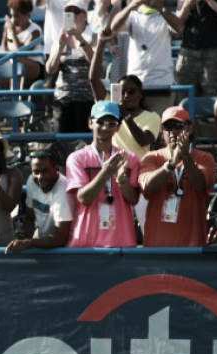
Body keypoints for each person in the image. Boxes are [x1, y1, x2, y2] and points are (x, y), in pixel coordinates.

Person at [89, 29, 161, 231]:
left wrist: (125, 115)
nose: (127, 95)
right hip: (114, 175)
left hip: (140, 177)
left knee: (148, 228)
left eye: (132, 91)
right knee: (115, 227)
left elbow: (143, 140)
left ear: (140, 93)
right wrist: (101, 46)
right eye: (122, 91)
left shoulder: (151, 116)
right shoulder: (109, 110)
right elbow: (93, 79)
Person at [138, 107, 216, 247]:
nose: (173, 131)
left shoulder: (205, 158)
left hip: (192, 246)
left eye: (179, 126)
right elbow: (147, 187)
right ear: (162, 131)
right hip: (157, 246)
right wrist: (171, 163)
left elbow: (201, 186)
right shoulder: (151, 158)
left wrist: (186, 157)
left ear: (190, 129)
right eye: (168, 127)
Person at [66, 100, 140, 247]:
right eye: (100, 121)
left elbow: (133, 199)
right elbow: (83, 198)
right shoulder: (76, 158)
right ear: (90, 123)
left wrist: (122, 179)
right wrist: (105, 173)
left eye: (111, 123)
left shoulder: (130, 158)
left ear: (118, 127)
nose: (105, 127)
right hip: (87, 242)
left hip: (121, 241)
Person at [109, 0, 184, 115]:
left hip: (161, 84)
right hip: (134, 86)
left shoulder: (166, 15)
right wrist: (132, 5)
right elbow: (114, 26)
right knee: (133, 129)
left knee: (159, 130)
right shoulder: (132, 15)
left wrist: (160, 8)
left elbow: (179, 28)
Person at [5, 150, 76, 253]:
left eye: (45, 171)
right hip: (45, 247)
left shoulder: (63, 191)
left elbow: (61, 238)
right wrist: (23, 237)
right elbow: (29, 218)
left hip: (67, 252)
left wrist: (29, 242)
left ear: (56, 168)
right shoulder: (31, 181)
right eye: (36, 172)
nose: (40, 176)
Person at [46, 0, 94, 134]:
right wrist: (60, 46)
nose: (72, 16)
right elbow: (50, 69)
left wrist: (81, 40)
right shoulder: (60, 39)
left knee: (84, 143)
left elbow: (96, 63)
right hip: (63, 99)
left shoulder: (92, 37)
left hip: (86, 99)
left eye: (76, 12)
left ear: (85, 15)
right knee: (62, 144)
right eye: (68, 13)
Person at [175, 0, 217, 98]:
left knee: (216, 101)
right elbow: (177, 23)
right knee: (184, 101)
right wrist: (188, 5)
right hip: (188, 52)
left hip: (216, 52)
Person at [1, 0, 43, 86]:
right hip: (11, 64)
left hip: (35, 68)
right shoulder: (7, 25)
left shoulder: (35, 31)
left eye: (17, 16)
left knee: (18, 62)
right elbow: (4, 44)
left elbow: (22, 54)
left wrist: (13, 33)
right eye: (11, 15)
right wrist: (7, 59)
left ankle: (14, 97)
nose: (13, 20)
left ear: (27, 15)